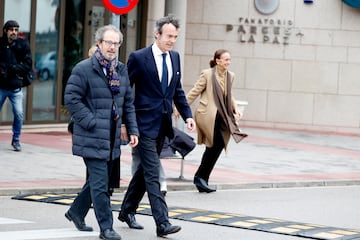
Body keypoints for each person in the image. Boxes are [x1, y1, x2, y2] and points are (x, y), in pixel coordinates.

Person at [118, 15, 196, 237]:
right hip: (142, 125)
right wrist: (125, 122)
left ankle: (126, 210)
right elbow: (125, 91)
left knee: (144, 171)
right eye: (169, 36)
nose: (172, 40)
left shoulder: (175, 58)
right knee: (153, 173)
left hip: (163, 124)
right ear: (157, 34)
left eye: (175, 37)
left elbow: (176, 91)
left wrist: (187, 115)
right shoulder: (139, 58)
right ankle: (162, 222)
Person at [64, 24, 139, 240]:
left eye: (116, 43)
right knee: (100, 185)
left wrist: (132, 129)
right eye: (109, 42)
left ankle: (76, 212)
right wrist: (92, 121)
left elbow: (127, 103)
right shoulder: (84, 68)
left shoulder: (121, 70)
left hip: (112, 137)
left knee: (100, 181)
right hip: (92, 135)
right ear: (99, 43)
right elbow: (71, 99)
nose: (113, 47)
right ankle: (107, 228)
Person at [185, 49, 247, 193]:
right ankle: (201, 177)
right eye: (226, 59)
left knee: (217, 145)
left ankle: (202, 178)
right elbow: (195, 91)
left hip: (222, 117)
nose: (228, 62)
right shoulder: (207, 74)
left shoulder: (230, 76)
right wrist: (180, 107)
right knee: (214, 144)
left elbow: (229, 95)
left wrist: (236, 108)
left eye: (229, 60)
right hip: (207, 115)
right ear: (217, 61)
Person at [0, 20, 33, 152]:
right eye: (11, 29)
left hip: (16, 87)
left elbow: (27, 65)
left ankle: (16, 140)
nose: (14, 32)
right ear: (5, 31)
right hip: (1, 86)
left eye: (16, 30)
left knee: (19, 114)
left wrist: (11, 68)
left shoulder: (22, 45)